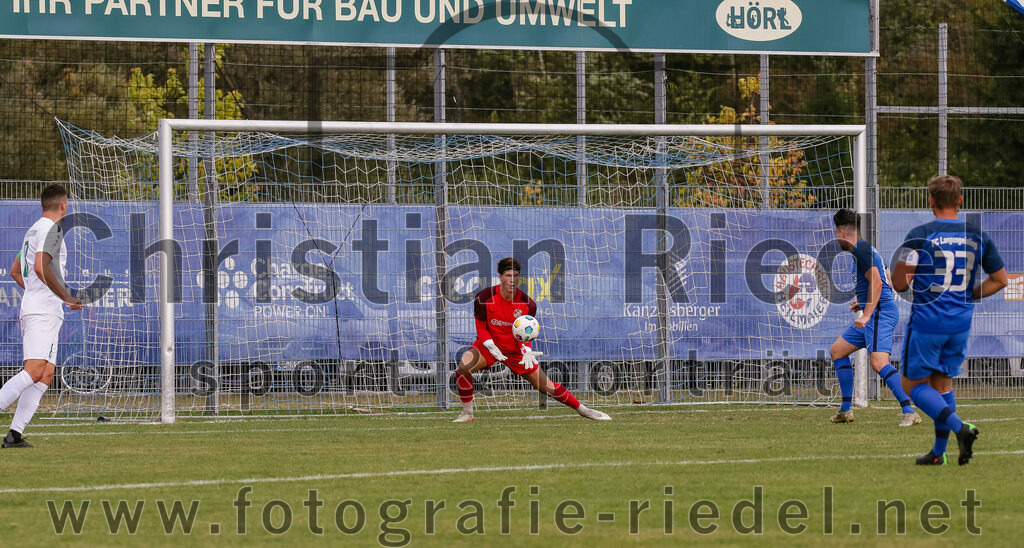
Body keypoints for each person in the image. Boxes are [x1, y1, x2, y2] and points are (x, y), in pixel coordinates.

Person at [892, 175, 1007, 465]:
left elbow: (900, 284)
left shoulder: (920, 234)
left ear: (931, 201)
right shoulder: (977, 235)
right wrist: (969, 295)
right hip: (960, 324)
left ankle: (960, 428)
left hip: (928, 323)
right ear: (960, 201)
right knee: (942, 386)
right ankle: (938, 454)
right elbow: (1000, 279)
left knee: (911, 386)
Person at [453, 257, 610, 423]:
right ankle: (467, 414)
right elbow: (481, 327)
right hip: (489, 346)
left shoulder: (528, 304)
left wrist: (526, 350)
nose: (512, 280)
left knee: (547, 387)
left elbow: (526, 334)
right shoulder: (484, 298)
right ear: (500, 277)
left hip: (515, 351)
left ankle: (584, 410)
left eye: (515, 275)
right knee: (464, 367)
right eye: (508, 275)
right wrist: (489, 344)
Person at [0, 184, 84, 448]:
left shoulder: (33, 230)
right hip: (42, 312)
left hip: (40, 308)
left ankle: (14, 435)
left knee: (46, 374)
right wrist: (65, 296)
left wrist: (39, 293)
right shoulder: (51, 229)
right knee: (35, 370)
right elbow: (39, 266)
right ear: (63, 205)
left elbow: (16, 270)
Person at [828, 209, 921, 427]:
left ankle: (910, 412)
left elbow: (877, 282)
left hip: (880, 314)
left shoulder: (861, 250)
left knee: (879, 363)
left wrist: (868, 313)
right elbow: (886, 278)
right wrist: (862, 302)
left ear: (842, 231)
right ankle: (846, 410)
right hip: (876, 310)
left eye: (836, 232)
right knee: (837, 351)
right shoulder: (866, 249)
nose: (836, 236)